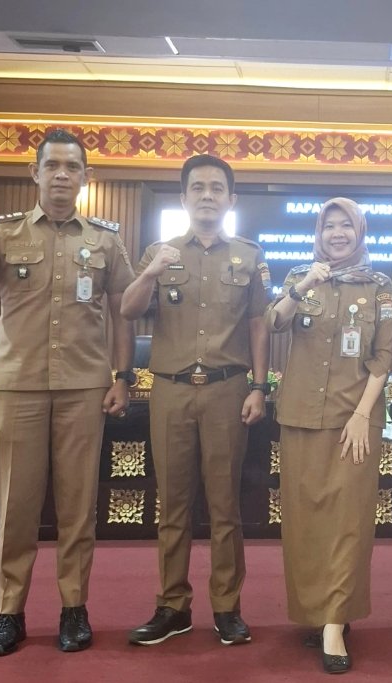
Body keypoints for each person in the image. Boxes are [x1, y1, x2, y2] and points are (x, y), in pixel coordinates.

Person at [0, 129, 135, 656]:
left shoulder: (105, 241)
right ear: (36, 173)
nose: (62, 176)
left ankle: (74, 609)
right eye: (52, 166)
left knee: (78, 508)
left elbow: (124, 311)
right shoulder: (2, 234)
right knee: (17, 507)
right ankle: (10, 612)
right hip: (19, 387)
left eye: (72, 167)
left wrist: (123, 376)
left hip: (84, 389)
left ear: (86, 177)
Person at [120, 155, 270, 648]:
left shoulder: (249, 255)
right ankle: (173, 606)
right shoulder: (159, 253)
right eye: (198, 187)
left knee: (225, 506)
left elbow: (258, 324)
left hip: (228, 390)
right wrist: (150, 272)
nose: (207, 195)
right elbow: (128, 310)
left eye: (217, 188)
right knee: (173, 505)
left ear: (231, 198)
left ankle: (227, 607)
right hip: (171, 390)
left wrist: (259, 386)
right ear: (184, 197)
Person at [266, 197, 392, 674]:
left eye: (346, 226)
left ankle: (336, 622)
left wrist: (363, 415)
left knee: (348, 521)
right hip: (300, 415)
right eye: (329, 226)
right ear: (318, 233)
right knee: (304, 521)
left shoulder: (380, 286)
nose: (337, 233)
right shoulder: (301, 277)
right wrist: (302, 286)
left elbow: (384, 357)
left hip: (352, 420)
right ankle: (317, 611)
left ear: (361, 232)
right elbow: (274, 322)